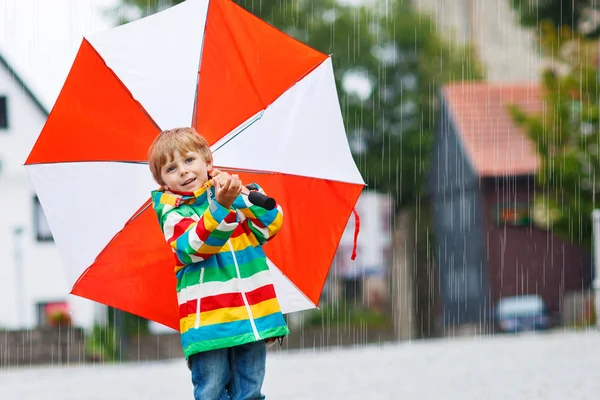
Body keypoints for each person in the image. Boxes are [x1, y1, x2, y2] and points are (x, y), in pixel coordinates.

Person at [147, 127, 289, 400]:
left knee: (250, 392)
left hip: (252, 317)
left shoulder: (234, 195)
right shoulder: (174, 213)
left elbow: (271, 223)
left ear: (208, 162)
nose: (184, 172)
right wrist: (220, 208)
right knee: (211, 391)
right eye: (171, 168)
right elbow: (196, 247)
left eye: (189, 160)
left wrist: (236, 196)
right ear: (163, 182)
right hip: (209, 324)